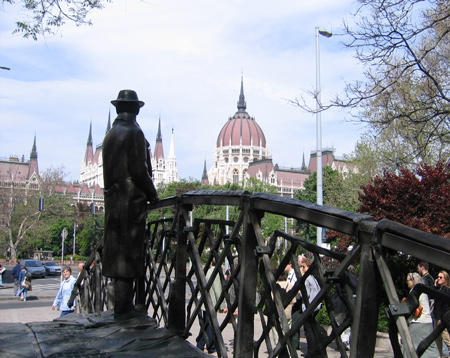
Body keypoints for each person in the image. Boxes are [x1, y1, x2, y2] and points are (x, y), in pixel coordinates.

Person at [102, 89, 159, 319]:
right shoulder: (133, 132)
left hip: (113, 202)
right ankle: (124, 308)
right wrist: (152, 193)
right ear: (135, 109)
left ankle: (121, 305)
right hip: (130, 203)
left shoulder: (110, 135)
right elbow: (138, 171)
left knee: (117, 253)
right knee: (128, 255)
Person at [292, 257, 325, 357]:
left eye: (304, 267)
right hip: (315, 306)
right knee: (312, 328)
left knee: (308, 329)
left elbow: (304, 294)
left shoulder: (307, 279)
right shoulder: (314, 278)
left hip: (308, 306)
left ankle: (311, 351)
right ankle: (314, 350)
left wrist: (298, 293)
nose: (302, 269)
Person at [404, 272, 439, 357]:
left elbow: (412, 307)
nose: (407, 282)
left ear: (413, 281)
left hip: (418, 322)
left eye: (408, 280)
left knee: (408, 343)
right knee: (429, 346)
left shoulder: (415, 292)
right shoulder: (423, 291)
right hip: (427, 322)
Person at [196, 258, 225, 354]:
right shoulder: (215, 273)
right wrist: (222, 305)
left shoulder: (207, 271)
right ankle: (211, 347)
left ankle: (200, 345)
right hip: (211, 303)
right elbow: (217, 290)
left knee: (205, 324)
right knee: (210, 325)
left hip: (205, 302)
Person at [332, 265, 358, 351]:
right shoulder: (354, 278)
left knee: (340, 324)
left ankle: (343, 343)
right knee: (347, 325)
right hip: (348, 304)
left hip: (341, 305)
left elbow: (341, 291)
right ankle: (346, 343)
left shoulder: (343, 277)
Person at [433, 270, 450, 357]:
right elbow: (432, 295)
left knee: (446, 339)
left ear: (446, 279)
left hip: (441, 318)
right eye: (438, 277)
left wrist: (444, 319)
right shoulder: (439, 289)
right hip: (437, 317)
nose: (438, 279)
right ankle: (441, 356)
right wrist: (435, 287)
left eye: (441, 277)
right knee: (437, 339)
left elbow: (446, 305)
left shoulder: (446, 289)